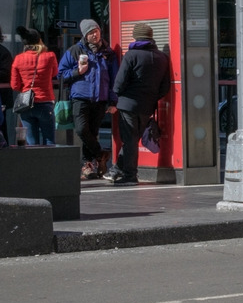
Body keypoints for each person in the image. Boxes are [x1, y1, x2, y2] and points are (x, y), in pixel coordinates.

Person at [104, 23, 171, 185]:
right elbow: (165, 87)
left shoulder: (131, 55)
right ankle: (118, 169)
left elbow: (119, 83)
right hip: (146, 106)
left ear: (136, 37)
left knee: (129, 140)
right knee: (132, 139)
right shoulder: (162, 57)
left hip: (128, 105)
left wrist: (117, 96)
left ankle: (130, 175)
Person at [57, 19, 118, 180]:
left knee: (92, 132)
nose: (95, 34)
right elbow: (61, 75)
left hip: (99, 99)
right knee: (81, 129)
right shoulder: (75, 51)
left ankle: (88, 164)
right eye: (91, 32)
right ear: (85, 35)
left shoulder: (108, 53)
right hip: (80, 98)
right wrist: (78, 71)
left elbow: (114, 79)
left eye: (96, 31)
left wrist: (112, 101)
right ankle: (101, 153)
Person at [10, 26, 59, 146]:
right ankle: (49, 164)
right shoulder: (50, 56)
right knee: (49, 140)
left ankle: (35, 164)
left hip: (26, 105)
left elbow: (15, 85)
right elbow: (54, 73)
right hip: (45, 102)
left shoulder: (18, 59)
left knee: (32, 143)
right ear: (39, 39)